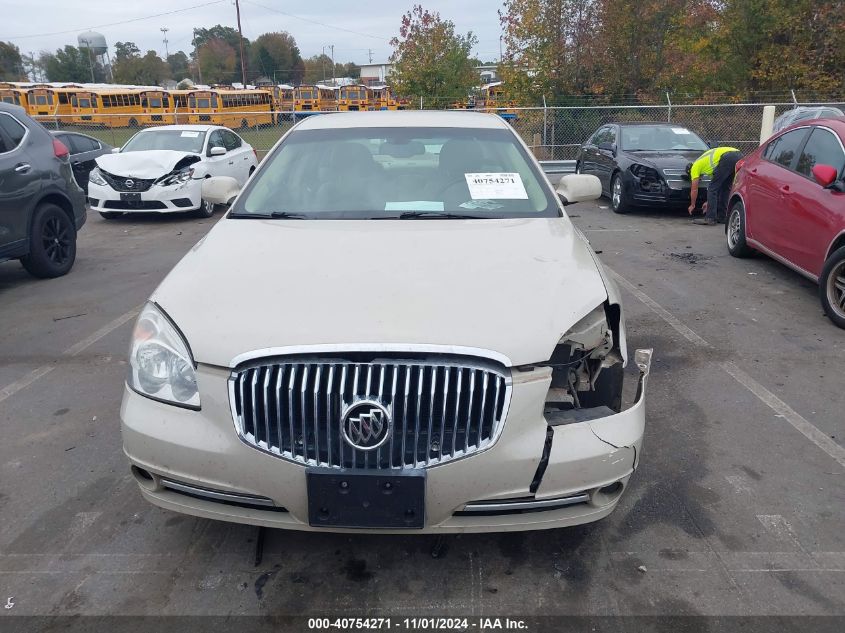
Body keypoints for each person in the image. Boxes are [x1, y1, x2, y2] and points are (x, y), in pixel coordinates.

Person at [687, 146, 742, 225]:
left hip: (727, 157)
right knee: (725, 188)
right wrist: (709, 202)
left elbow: (694, 189)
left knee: (712, 188)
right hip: (738, 154)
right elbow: (717, 187)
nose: (699, 179)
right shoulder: (707, 166)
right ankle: (722, 217)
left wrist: (692, 205)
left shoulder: (694, 167)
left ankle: (710, 218)